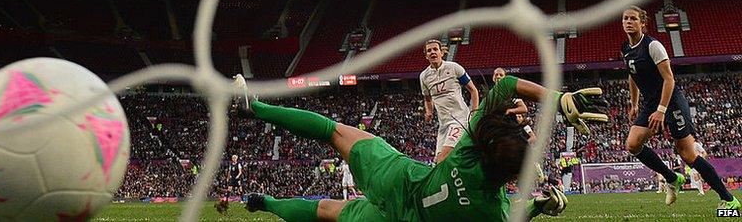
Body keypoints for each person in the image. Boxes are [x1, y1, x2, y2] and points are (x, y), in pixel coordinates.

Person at [235, 73, 607, 220]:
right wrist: (540, 206)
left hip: (397, 181)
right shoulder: (492, 209)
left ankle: (258, 107)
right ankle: (262, 204)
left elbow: (506, 84)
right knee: (325, 211)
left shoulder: (467, 149)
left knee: (333, 132)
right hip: (400, 220)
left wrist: (559, 99)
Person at [620, 6, 740, 210]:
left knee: (688, 155)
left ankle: (729, 200)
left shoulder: (653, 46)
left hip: (671, 101)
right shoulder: (625, 48)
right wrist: (634, 103)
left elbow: (669, 79)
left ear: (643, 23)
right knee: (632, 144)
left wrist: (661, 109)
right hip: (650, 103)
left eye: (633, 19)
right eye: (625, 18)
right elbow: (632, 75)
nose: (629, 22)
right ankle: (672, 177)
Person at [420, 39, 479, 163]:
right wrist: (429, 112)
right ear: (426, 55)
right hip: (443, 124)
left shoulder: (454, 68)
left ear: (441, 52)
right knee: (437, 163)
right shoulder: (424, 76)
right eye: (429, 50)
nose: (432, 52)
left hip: (460, 119)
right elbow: (427, 98)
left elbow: (473, 90)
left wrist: (474, 111)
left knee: (442, 159)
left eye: (435, 49)